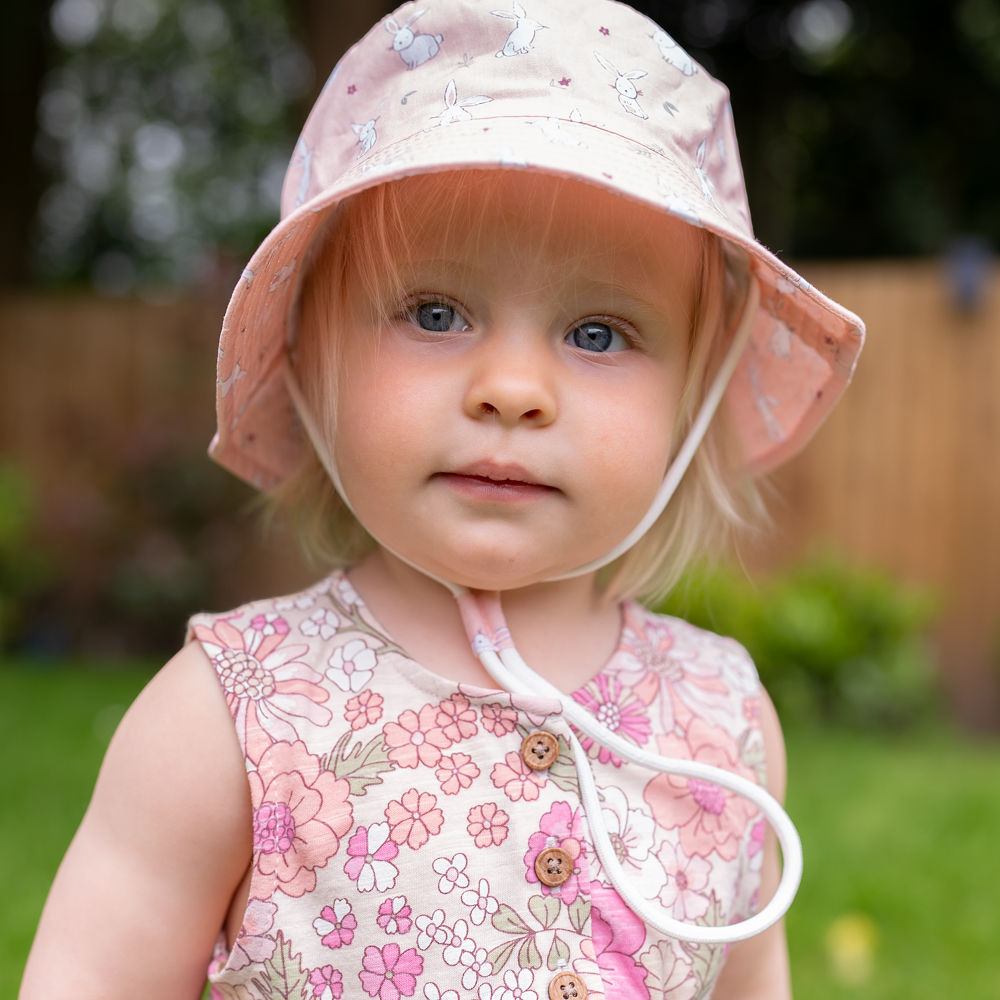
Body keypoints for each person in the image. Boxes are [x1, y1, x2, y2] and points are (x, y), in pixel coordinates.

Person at [21, 2, 865, 998]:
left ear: (695, 392)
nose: (512, 388)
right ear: (309, 358)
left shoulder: (721, 723)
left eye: (598, 333)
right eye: (434, 313)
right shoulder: (230, 718)